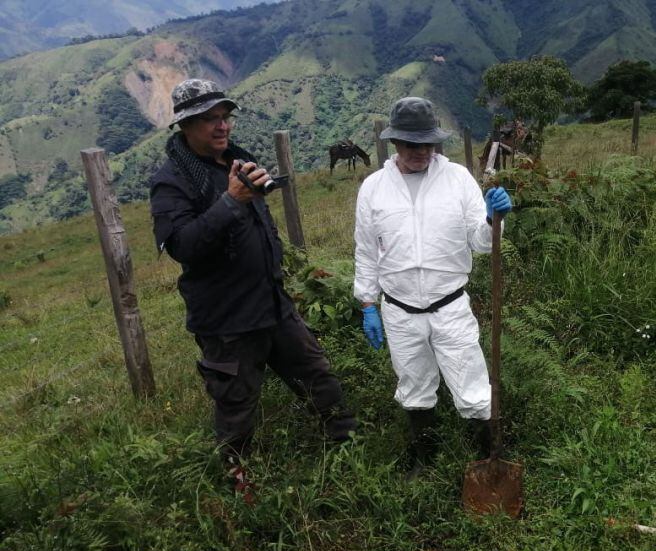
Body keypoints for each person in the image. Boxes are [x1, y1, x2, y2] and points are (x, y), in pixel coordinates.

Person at [149, 78, 358, 487]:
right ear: (185, 126)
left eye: (224, 117)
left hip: (274, 305)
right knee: (236, 408)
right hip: (227, 321)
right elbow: (183, 246)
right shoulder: (172, 181)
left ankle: (350, 452)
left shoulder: (234, 163)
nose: (221, 127)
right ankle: (239, 487)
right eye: (209, 119)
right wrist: (230, 202)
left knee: (318, 378)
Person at [353, 96, 512, 478]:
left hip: (450, 304)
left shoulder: (457, 180)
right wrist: (367, 304)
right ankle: (423, 455)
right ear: (395, 143)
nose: (420, 152)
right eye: (411, 144)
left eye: (427, 143)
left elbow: (480, 240)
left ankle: (487, 453)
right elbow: (365, 249)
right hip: (399, 308)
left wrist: (493, 218)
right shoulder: (374, 188)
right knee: (413, 382)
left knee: (471, 382)